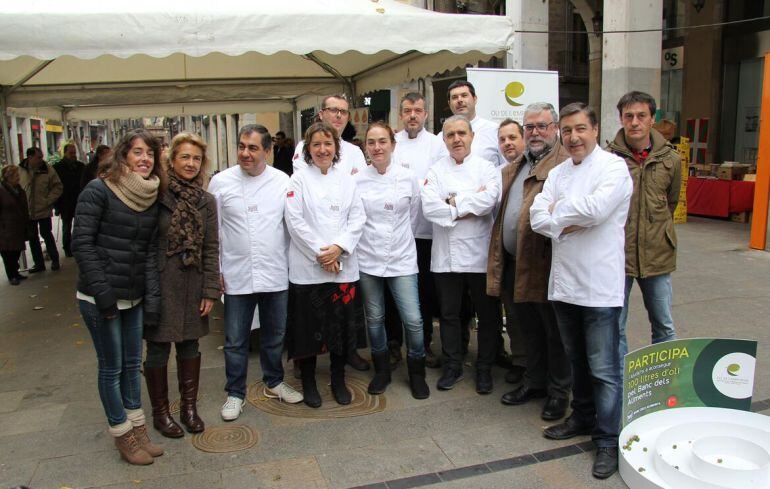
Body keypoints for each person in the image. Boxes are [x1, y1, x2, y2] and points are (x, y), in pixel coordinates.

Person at [530, 103, 632, 479]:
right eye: (567, 131)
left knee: (604, 369)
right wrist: (564, 219)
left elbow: (597, 211)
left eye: (580, 130)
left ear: (594, 130)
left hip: (600, 287)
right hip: (565, 284)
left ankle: (607, 440)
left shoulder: (613, 168)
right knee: (577, 362)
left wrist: (561, 213)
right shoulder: (557, 173)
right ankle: (582, 418)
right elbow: (537, 218)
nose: (573, 137)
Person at [72, 129, 165, 465]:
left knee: (130, 365)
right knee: (111, 368)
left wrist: (148, 296)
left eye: (150, 154)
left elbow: (149, 250)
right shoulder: (98, 190)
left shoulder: (151, 196)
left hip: (134, 297)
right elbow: (81, 244)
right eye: (137, 152)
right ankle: (122, 434)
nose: (144, 159)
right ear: (123, 155)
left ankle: (139, 430)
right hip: (100, 298)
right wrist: (104, 293)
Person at [209, 124, 303, 421]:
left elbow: (292, 227)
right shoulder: (221, 182)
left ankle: (273, 381)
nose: (245, 153)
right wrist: (216, 271)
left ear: (267, 151)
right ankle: (235, 392)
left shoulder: (283, 181)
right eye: (241, 146)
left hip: (275, 271)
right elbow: (214, 232)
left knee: (275, 334)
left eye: (252, 148)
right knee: (236, 339)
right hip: (236, 273)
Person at [488, 106, 573, 421]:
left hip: (546, 264)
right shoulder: (518, 164)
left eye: (541, 126)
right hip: (515, 262)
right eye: (530, 127)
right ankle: (535, 382)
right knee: (528, 328)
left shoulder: (563, 165)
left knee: (554, 332)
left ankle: (558, 392)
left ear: (555, 129)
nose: (534, 132)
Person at [143, 133, 221, 437]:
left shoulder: (206, 200)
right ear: (172, 160)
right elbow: (147, 244)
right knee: (158, 349)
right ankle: (161, 414)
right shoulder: (156, 194)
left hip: (193, 282)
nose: (191, 163)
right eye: (185, 157)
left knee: (190, 345)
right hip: (161, 283)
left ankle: (189, 409)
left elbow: (212, 247)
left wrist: (210, 289)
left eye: (196, 158)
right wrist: (149, 288)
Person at [285, 121, 366, 408]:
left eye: (328, 144)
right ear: (308, 149)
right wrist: (323, 254)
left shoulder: (347, 180)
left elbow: (357, 218)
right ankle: (308, 381)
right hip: (309, 270)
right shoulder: (298, 180)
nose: (323, 149)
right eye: (316, 144)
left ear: (336, 147)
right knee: (308, 330)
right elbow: (295, 222)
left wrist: (338, 249)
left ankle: (338, 378)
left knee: (340, 329)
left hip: (341, 267)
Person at [422, 115, 502, 394]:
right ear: (443, 140)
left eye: (461, 133)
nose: (456, 139)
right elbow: (429, 209)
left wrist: (451, 201)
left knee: (487, 315)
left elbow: (488, 201)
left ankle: (484, 368)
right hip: (446, 257)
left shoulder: (487, 168)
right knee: (449, 315)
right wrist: (467, 203)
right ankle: (453, 365)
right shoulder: (435, 171)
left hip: (480, 254)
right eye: (450, 135)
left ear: (471, 136)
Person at [355, 122, 430, 399]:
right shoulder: (357, 180)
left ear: (392, 145)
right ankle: (382, 371)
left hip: (401, 257)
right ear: (366, 147)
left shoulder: (408, 177)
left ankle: (417, 373)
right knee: (374, 318)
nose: (377, 147)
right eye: (371, 142)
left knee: (413, 320)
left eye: (382, 141)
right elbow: (356, 219)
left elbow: (413, 215)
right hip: (368, 257)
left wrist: (398, 240)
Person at [608, 91, 681, 366]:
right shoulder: (610, 159)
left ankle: (665, 384)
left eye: (641, 116)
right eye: (629, 116)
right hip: (619, 256)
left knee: (663, 324)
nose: (635, 122)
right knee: (616, 326)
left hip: (658, 254)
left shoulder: (670, 160)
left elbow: (670, 203)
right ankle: (622, 385)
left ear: (652, 119)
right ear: (621, 119)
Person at [393, 92, 448, 369]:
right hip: (396, 232)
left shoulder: (437, 144)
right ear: (400, 114)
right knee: (392, 289)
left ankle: (423, 344)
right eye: (407, 110)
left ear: (425, 114)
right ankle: (393, 346)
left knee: (424, 292)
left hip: (426, 232)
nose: (412, 115)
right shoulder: (392, 142)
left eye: (417, 110)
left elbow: (437, 181)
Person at [292, 95, 368, 177]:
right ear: (321, 114)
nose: (339, 115)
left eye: (343, 112)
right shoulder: (305, 146)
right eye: (333, 110)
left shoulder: (354, 151)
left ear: (348, 118)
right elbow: (304, 182)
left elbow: (361, 184)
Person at [18, 147, 62, 272]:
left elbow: (58, 186)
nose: (41, 159)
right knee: (32, 238)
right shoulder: (21, 169)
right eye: (38, 157)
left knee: (46, 234)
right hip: (28, 211)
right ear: (30, 157)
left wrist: (47, 201)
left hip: (43, 209)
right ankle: (39, 264)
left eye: (42, 157)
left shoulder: (47, 169)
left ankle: (55, 260)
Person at [53, 142, 86, 257]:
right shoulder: (58, 167)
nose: (73, 155)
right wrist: (56, 205)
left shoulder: (81, 166)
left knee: (81, 226)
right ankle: (67, 248)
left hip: (79, 200)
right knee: (66, 227)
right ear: (65, 153)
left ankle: (80, 246)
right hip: (65, 202)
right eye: (71, 153)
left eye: (74, 153)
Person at [0, 165, 30, 286]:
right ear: (9, 177)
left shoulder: (19, 189)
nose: (18, 177)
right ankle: (11, 275)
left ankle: (15, 272)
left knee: (16, 251)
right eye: (16, 175)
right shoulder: (2, 191)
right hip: (5, 228)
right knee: (8, 253)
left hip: (18, 226)